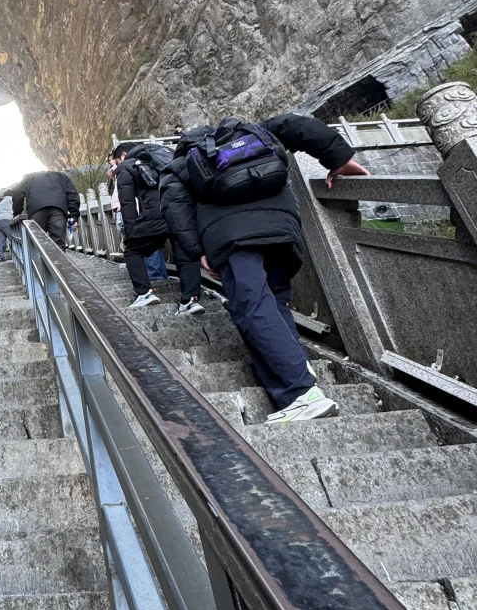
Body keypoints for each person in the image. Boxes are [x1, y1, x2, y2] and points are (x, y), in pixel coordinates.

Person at [161, 114, 371, 423]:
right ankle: (292, 383)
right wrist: (338, 158)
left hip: (232, 236)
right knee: (274, 300)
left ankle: (302, 390)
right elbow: (297, 126)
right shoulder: (255, 133)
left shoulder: (182, 162)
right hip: (282, 228)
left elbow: (175, 209)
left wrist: (198, 252)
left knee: (252, 306)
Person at [113, 142, 203, 313]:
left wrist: (131, 234)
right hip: (182, 212)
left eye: (117, 160)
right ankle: (191, 300)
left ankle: (144, 292)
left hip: (156, 214)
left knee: (133, 251)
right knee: (185, 252)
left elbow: (127, 203)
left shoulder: (126, 166)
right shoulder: (167, 156)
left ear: (123, 155)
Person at [11, 169, 79, 248]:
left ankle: (40, 259)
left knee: (37, 242)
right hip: (58, 210)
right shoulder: (62, 176)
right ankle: (57, 260)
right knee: (58, 242)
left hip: (36, 210)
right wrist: (74, 216)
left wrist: (16, 212)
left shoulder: (29, 178)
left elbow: (16, 193)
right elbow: (73, 195)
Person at [0, 193, 15, 261]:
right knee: (14, 238)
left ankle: (0, 257)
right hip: (6, 220)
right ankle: (20, 256)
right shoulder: (11, 199)